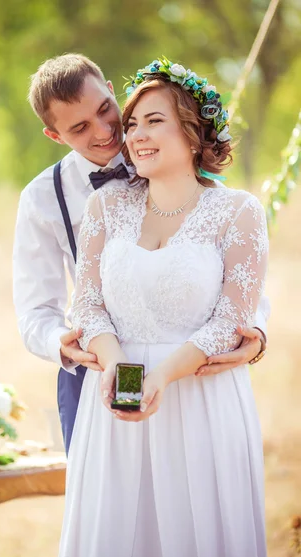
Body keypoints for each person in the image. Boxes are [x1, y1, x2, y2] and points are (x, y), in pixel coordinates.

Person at [55, 58, 270, 557]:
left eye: (154, 121)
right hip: (116, 404)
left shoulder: (238, 211)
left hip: (200, 404)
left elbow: (232, 316)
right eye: (132, 124)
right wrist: (111, 364)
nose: (135, 135)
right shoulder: (105, 206)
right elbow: (88, 303)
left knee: (195, 551)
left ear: (194, 133)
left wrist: (166, 375)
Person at [13, 54, 269, 454]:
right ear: (55, 136)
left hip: (192, 373)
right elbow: (35, 310)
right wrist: (68, 342)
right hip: (96, 367)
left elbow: (231, 271)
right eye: (80, 127)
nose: (107, 131)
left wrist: (254, 333)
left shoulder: (174, 153)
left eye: (105, 110)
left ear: (112, 91)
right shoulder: (43, 199)